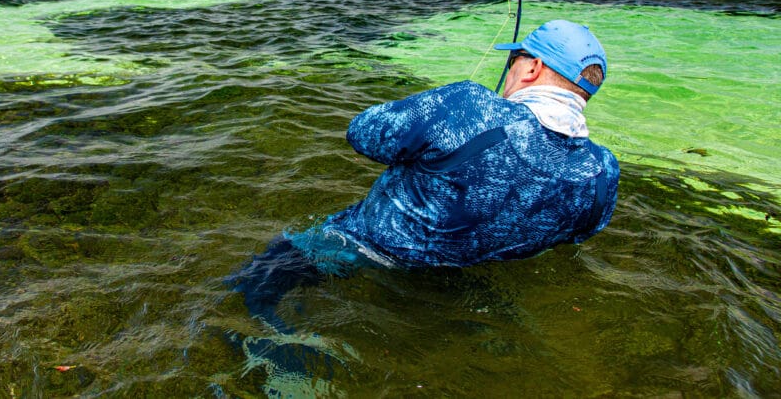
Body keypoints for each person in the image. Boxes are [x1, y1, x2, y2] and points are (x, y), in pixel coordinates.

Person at [227, 19, 620, 330]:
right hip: (459, 282)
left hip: (365, 248)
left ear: (532, 67)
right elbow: (578, 233)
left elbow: (363, 132)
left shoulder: (471, 106)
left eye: (515, 60)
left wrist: (439, 108)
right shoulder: (603, 172)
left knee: (243, 292)